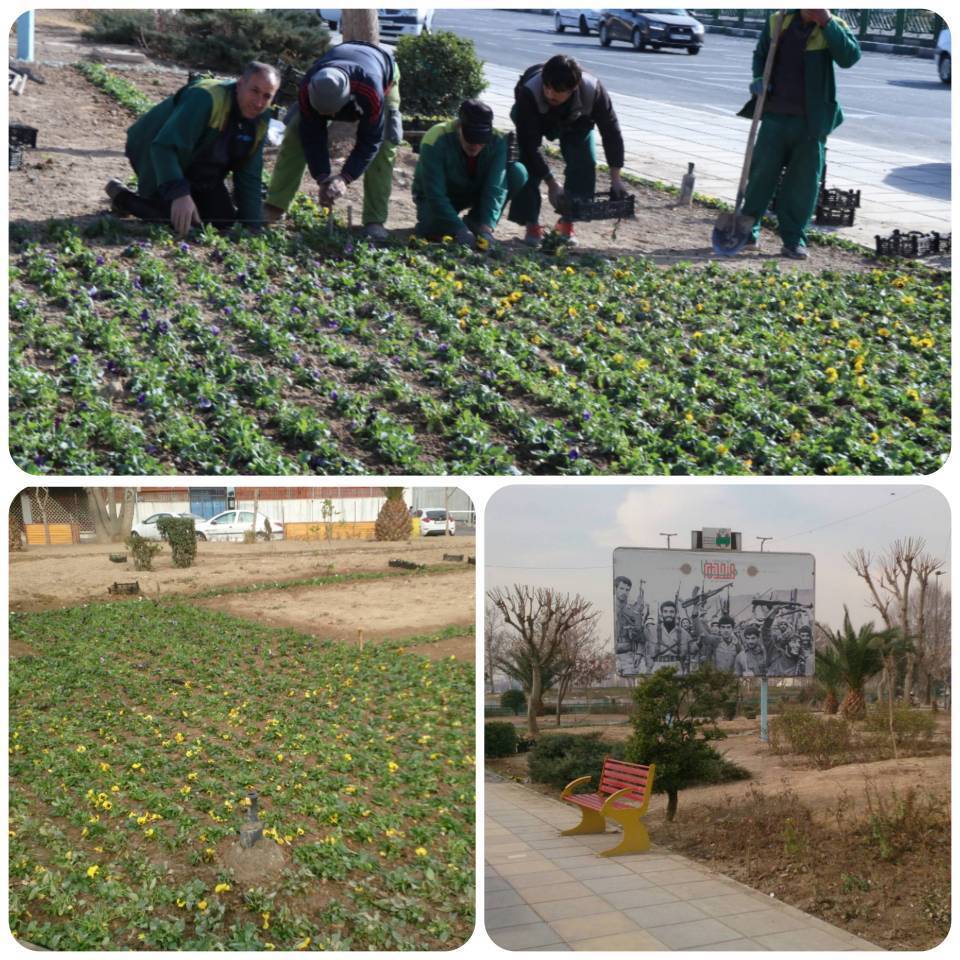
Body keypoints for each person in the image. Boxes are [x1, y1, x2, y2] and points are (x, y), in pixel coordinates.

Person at [737, 9, 861, 259]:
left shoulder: (833, 26)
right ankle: (747, 232)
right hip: (774, 117)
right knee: (760, 176)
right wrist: (759, 77)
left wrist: (825, 21)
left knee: (802, 185)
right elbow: (761, 55)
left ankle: (794, 240)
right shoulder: (777, 21)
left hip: (811, 123)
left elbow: (849, 57)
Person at [105, 62, 280, 235]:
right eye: (254, 91)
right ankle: (122, 197)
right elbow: (163, 147)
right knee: (175, 218)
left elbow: (249, 173)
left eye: (267, 96)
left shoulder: (261, 119)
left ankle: (179, 197)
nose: (259, 102)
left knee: (222, 222)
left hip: (199, 166)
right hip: (152, 149)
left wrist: (252, 226)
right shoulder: (206, 98)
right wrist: (179, 194)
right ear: (240, 83)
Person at [264, 42, 402, 240]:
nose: (325, 116)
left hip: (381, 70)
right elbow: (311, 135)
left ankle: (375, 220)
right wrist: (322, 177)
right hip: (344, 61)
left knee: (386, 143)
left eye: (329, 113)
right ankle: (276, 205)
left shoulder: (370, 91)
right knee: (295, 130)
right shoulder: (309, 84)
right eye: (320, 112)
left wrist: (345, 177)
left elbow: (371, 140)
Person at [509, 54, 628, 248]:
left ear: (574, 88)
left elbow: (611, 132)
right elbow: (530, 145)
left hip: (576, 120)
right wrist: (551, 182)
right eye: (547, 87)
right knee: (527, 162)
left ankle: (567, 222)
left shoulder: (594, 91)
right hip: (533, 117)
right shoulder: (529, 91)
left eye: (558, 91)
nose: (550, 94)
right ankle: (531, 224)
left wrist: (616, 177)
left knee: (585, 163)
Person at [412, 99, 528, 248]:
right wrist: (458, 229)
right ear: (459, 127)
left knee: (517, 172)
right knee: (432, 230)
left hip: (471, 192)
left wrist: (487, 227)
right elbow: (435, 193)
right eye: (470, 139)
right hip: (437, 195)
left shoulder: (498, 140)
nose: (475, 146)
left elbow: (496, 187)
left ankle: (476, 221)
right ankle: (449, 223)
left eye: (481, 141)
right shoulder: (435, 138)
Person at [643, 601, 692, 673]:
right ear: (661, 614)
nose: (668, 614)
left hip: (676, 666)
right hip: (658, 666)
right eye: (665, 612)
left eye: (671, 612)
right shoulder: (652, 630)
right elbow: (641, 643)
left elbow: (693, 649)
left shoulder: (683, 633)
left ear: (676, 614)